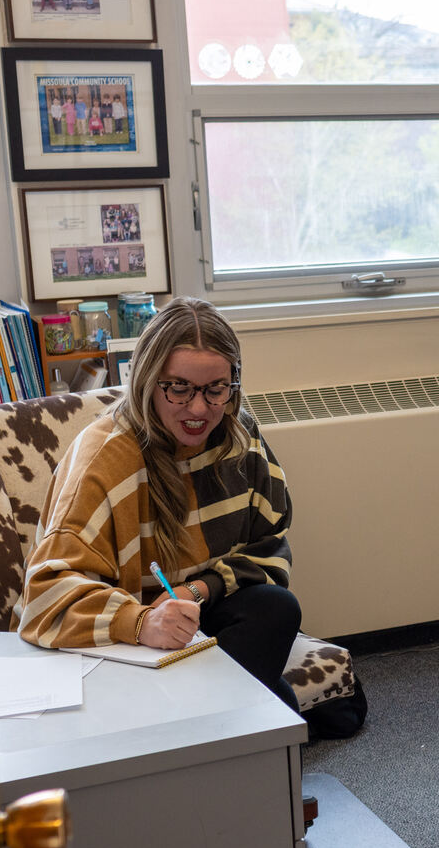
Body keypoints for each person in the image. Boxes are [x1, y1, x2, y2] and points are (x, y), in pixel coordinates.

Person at [17, 297, 305, 715]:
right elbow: (43, 599)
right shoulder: (106, 459)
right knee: (281, 706)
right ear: (148, 382)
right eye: (179, 388)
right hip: (121, 643)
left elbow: (270, 547)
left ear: (233, 384)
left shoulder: (238, 434)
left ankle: (211, 721)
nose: (199, 408)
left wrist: (196, 590)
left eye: (215, 389)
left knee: (276, 610)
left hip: (189, 622)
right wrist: (140, 621)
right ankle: (219, 721)